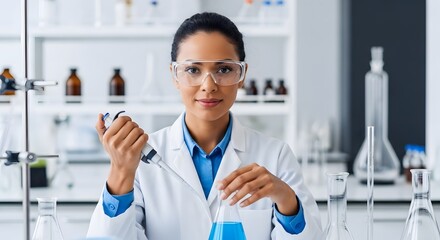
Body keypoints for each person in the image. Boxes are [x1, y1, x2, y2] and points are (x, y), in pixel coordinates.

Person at [87, 12, 322, 240]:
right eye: (193, 70)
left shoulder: (275, 156)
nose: (208, 86)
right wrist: (120, 172)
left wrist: (285, 198)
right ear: (174, 75)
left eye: (224, 69)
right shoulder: (140, 160)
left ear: (242, 75)